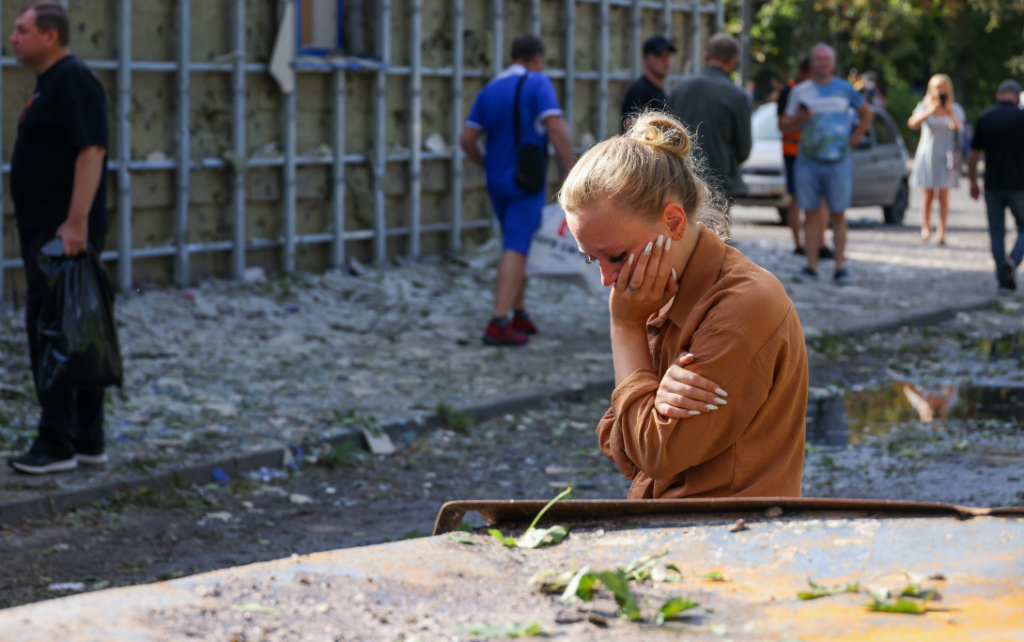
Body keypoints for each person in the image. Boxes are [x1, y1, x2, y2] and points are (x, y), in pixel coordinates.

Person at [558, 111, 808, 499]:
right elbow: (617, 445)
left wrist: (624, 329)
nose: (607, 281)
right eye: (593, 259)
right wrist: (651, 398)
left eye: (615, 256)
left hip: (725, 540)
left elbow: (653, 454)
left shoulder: (741, 306)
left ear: (674, 223)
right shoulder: (660, 291)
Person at [6, 2, 111, 474]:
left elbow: (92, 149)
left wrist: (75, 223)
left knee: (54, 335)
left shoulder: (74, 79)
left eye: (22, 30)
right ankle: (87, 441)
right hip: (51, 231)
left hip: (61, 235)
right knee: (76, 330)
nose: (13, 37)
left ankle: (56, 444)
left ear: (50, 36)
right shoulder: (51, 83)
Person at [460, 34, 575, 346]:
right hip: (525, 181)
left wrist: (486, 164)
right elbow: (555, 126)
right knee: (516, 247)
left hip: (496, 180)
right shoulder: (538, 83)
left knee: (516, 243)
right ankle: (499, 322)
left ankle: (519, 311)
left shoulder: (490, 89)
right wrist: (571, 169)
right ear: (537, 59)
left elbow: (467, 139)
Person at [780, 43, 872, 286]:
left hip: (838, 161)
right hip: (807, 161)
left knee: (839, 214)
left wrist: (853, 140)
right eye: (817, 59)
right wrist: (799, 119)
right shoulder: (800, 91)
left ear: (832, 62)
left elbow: (867, 114)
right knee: (810, 213)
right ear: (811, 62)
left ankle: (840, 268)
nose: (822, 63)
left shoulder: (845, 89)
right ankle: (811, 266)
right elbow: (784, 124)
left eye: (826, 59)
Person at [667, 34, 752, 200]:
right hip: (717, 185)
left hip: (679, 180)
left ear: (706, 57)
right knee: (714, 226)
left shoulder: (680, 89)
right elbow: (743, 150)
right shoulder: (737, 96)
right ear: (732, 61)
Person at [968, 79, 1024, 293]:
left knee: (996, 231)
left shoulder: (986, 116)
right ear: (1017, 96)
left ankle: (1002, 278)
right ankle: (1014, 259)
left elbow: (973, 155)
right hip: (1020, 183)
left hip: (993, 183)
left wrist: (973, 181)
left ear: (999, 95)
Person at [777, 56, 829, 258]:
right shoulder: (789, 90)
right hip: (793, 153)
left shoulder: (821, 90)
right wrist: (800, 118)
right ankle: (799, 244)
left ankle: (820, 244)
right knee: (797, 198)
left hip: (817, 152)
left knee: (821, 198)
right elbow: (781, 123)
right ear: (804, 73)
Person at [908, 74, 965, 246]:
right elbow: (912, 123)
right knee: (928, 193)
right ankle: (926, 228)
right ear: (931, 90)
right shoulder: (924, 106)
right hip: (928, 153)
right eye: (938, 87)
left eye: (944, 87)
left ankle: (941, 231)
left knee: (944, 195)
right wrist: (929, 111)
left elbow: (960, 128)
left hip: (946, 155)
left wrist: (948, 112)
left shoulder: (954, 108)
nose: (941, 91)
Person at [621, 35, 676, 130]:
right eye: (660, 55)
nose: (666, 60)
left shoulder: (658, 90)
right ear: (645, 59)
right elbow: (631, 132)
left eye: (668, 55)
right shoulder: (639, 92)